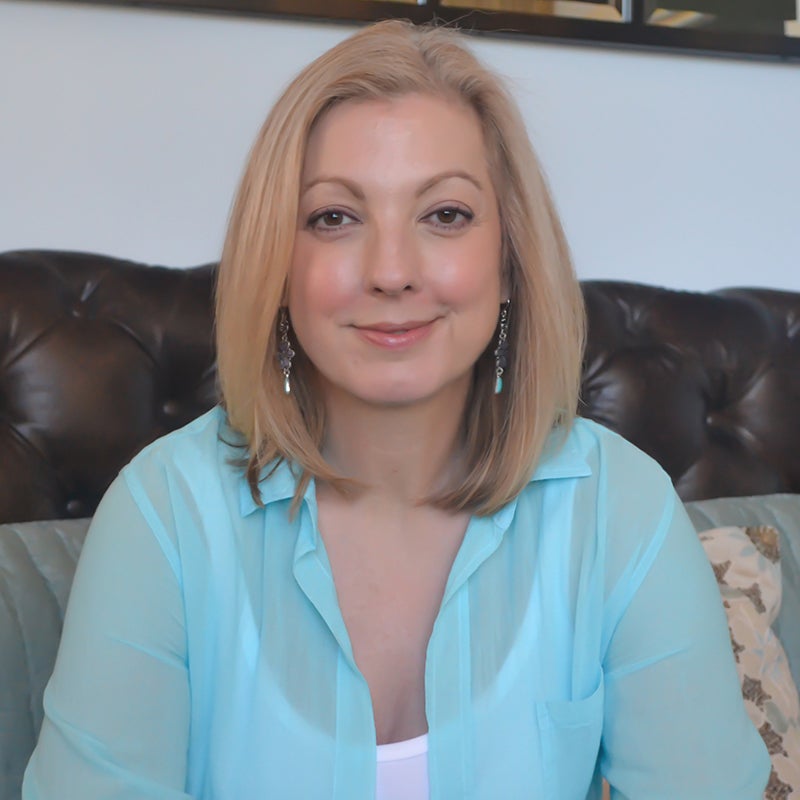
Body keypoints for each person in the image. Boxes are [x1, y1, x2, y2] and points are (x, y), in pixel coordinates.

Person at [23, 19, 770, 800]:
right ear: (277, 263)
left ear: (510, 257)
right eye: (334, 217)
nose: (390, 271)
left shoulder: (620, 509)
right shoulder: (165, 517)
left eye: (445, 214)